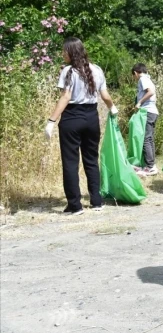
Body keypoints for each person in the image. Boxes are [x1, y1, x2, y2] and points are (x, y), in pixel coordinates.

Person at [45, 37, 118, 215]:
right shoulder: (97, 70)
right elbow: (105, 95)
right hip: (92, 118)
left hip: (71, 118)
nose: (62, 54)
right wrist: (112, 107)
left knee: (70, 162)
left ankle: (75, 205)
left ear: (71, 52)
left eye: (64, 51)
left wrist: (51, 121)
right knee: (91, 160)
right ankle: (96, 201)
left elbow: (65, 97)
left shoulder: (68, 71)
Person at [131, 63, 159, 176]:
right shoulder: (148, 78)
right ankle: (152, 165)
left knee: (146, 139)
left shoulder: (142, 79)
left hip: (148, 111)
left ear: (135, 73)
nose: (134, 78)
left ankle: (150, 167)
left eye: (133, 76)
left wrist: (139, 102)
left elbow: (150, 92)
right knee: (149, 138)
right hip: (152, 111)